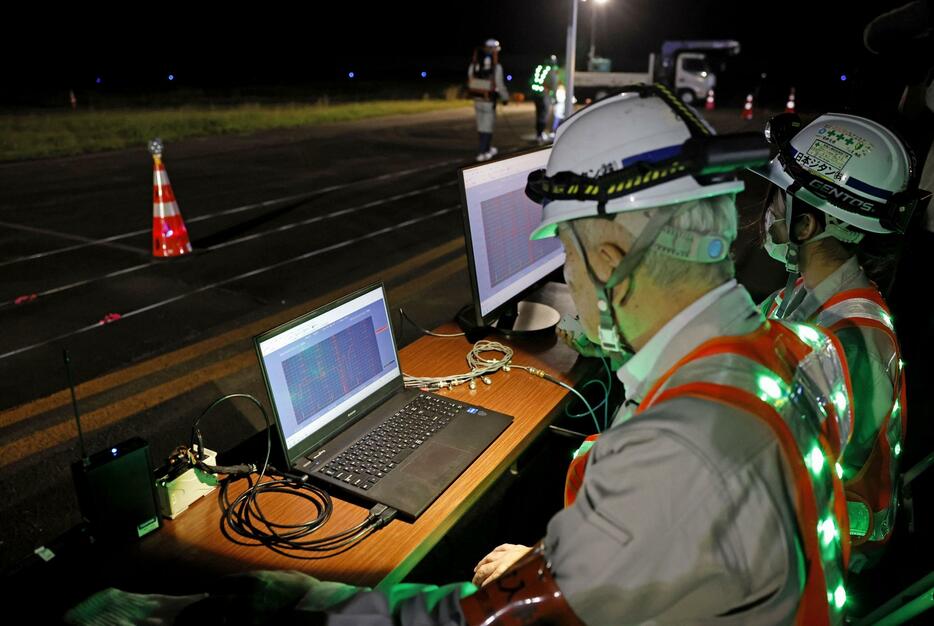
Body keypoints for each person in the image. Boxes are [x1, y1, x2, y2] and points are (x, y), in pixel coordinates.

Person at [65, 87, 853, 625]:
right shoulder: (775, 350)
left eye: (569, 256)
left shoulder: (678, 449)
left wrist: (297, 599)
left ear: (611, 254)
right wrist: (555, 560)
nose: (571, 280)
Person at [753, 112, 927, 570]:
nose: (768, 208)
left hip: (832, 560)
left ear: (806, 225)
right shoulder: (803, 291)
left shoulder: (854, 342)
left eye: (778, 197)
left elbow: (773, 468)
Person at [467, 38, 509, 162]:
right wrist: (505, 98)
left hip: (477, 99)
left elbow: (470, 79)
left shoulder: (475, 64)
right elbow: (500, 84)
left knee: (481, 126)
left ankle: (487, 148)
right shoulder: (496, 67)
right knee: (488, 127)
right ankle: (482, 152)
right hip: (489, 101)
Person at [530, 54, 560, 144]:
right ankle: (540, 134)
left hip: (536, 95)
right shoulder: (551, 71)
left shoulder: (539, 68)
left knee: (538, 115)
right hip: (545, 96)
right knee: (543, 116)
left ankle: (538, 134)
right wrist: (555, 98)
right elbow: (554, 85)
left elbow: (531, 81)